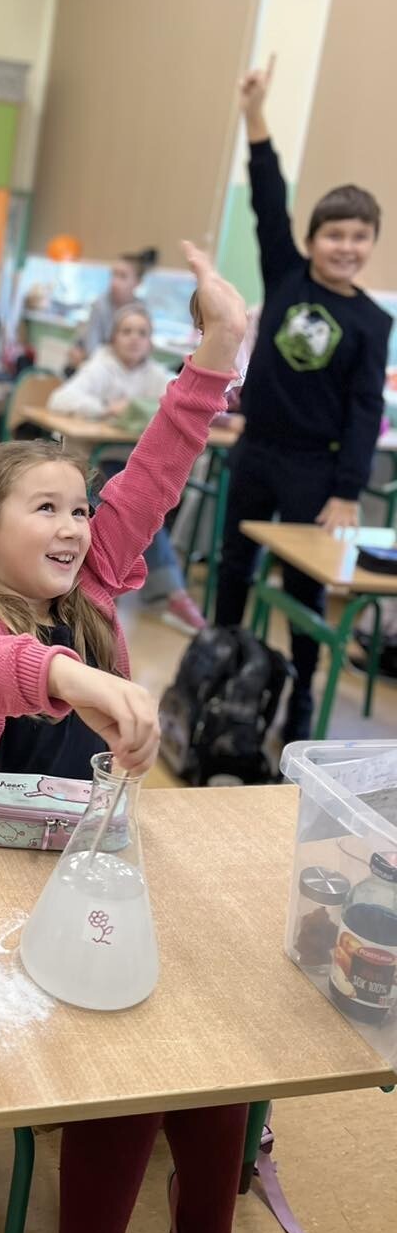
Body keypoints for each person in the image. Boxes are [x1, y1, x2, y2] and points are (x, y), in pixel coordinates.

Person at [0, 244, 248, 1233]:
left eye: (82, 509)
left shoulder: (99, 584)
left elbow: (159, 465)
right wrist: (61, 675)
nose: (77, 526)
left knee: (213, 1040)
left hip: (84, 871)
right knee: (132, 1055)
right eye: (47, 509)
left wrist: (219, 347)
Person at [214, 55, 391, 740]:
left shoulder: (372, 321)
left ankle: (301, 697)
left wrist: (347, 490)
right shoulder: (287, 276)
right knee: (233, 566)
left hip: (315, 470)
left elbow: (366, 409)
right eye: (333, 234)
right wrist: (255, 115)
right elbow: (267, 196)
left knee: (302, 586)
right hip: (256, 449)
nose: (345, 246)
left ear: (371, 243)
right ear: (313, 240)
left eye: (358, 236)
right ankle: (220, 670)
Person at [48, 303, 207, 632]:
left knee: (148, 498)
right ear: (113, 337)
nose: (135, 339)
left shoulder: (157, 375)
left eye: (142, 333)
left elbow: (185, 400)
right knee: (138, 500)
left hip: (136, 469)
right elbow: (59, 399)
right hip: (96, 465)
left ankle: (120, 584)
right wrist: (105, 408)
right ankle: (168, 591)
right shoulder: (100, 367)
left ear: (151, 341)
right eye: (127, 331)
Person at [66, 249, 155, 370]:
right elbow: (92, 349)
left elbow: (144, 351)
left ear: (138, 282)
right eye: (113, 275)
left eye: (123, 276)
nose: (114, 282)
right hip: (94, 364)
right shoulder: (100, 305)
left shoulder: (141, 310)